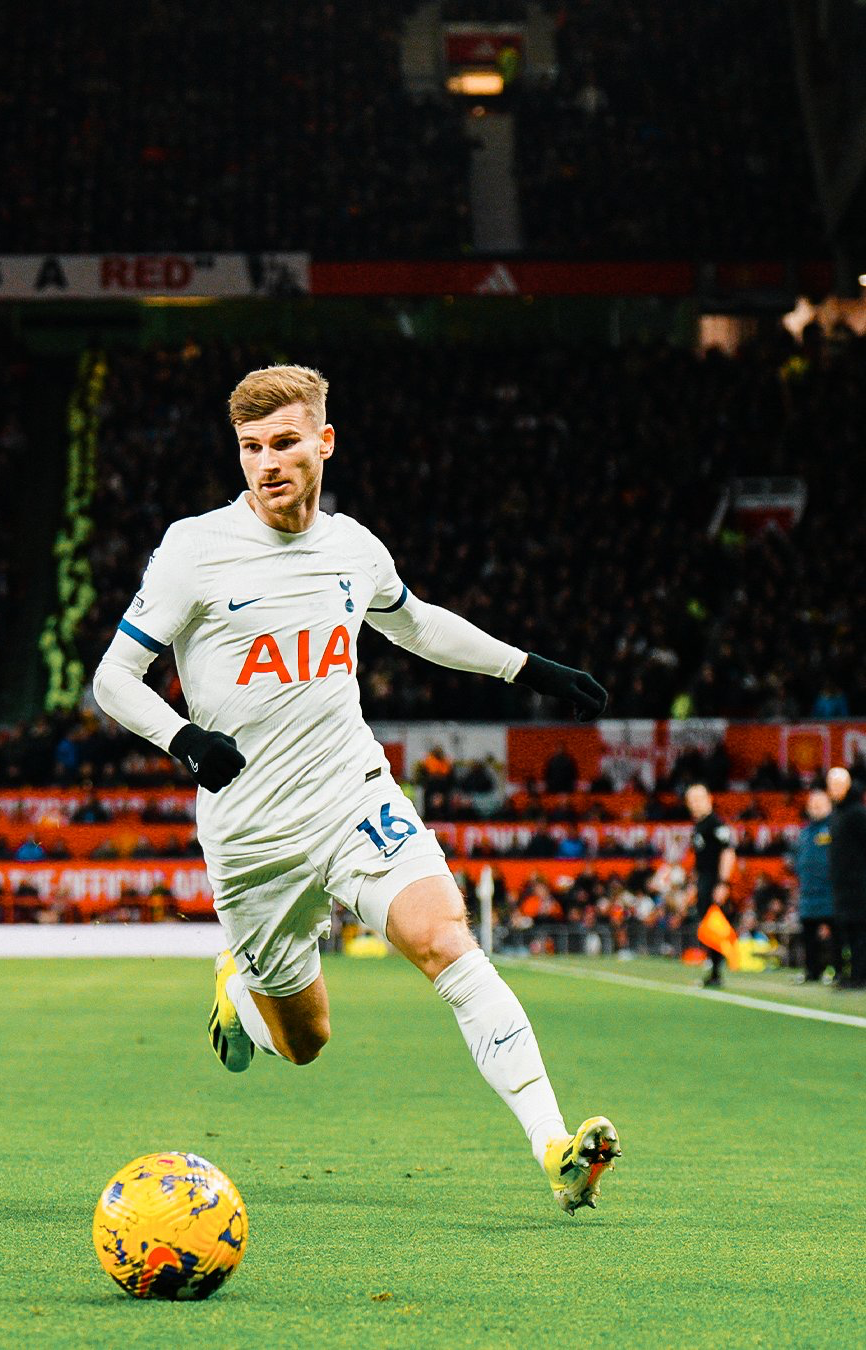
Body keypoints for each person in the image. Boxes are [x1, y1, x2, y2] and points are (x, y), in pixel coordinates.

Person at [94, 364, 620, 1215]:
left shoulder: (352, 547)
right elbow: (114, 678)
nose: (267, 463)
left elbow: (415, 623)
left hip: (351, 796)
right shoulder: (194, 549)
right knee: (305, 1043)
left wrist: (530, 669)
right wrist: (184, 740)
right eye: (251, 448)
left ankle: (554, 1146)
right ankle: (240, 992)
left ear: (324, 442)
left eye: (286, 443)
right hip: (251, 836)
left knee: (446, 940)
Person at [685, 782, 737, 988]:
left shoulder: (716, 824)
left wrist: (723, 883)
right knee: (707, 925)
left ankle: (717, 970)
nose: (695, 804)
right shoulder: (700, 825)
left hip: (714, 880)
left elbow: (728, 852)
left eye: (699, 799)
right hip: (704, 880)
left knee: (714, 925)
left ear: (709, 799)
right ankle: (714, 969)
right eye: (691, 800)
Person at [825, 767, 866, 989]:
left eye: (838, 784)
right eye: (831, 785)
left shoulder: (857, 813)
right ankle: (851, 974)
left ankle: (859, 976)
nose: (833, 789)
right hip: (842, 885)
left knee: (859, 931)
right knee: (848, 931)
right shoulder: (838, 814)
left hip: (858, 885)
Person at [791, 788, 835, 983]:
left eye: (820, 804)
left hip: (830, 891)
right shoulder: (805, 832)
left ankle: (837, 969)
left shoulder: (834, 827)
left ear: (829, 805)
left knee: (835, 934)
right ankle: (812, 970)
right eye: (813, 804)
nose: (815, 807)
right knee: (808, 934)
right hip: (807, 893)